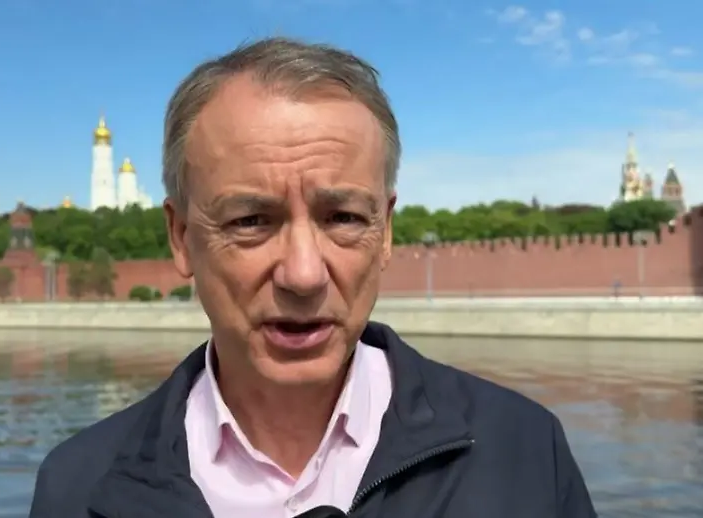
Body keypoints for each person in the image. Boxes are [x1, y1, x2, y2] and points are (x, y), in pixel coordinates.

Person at [29, 37, 597, 518]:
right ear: (181, 238)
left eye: (343, 218)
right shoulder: (76, 489)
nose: (303, 275)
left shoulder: (525, 453)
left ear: (386, 233)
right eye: (251, 221)